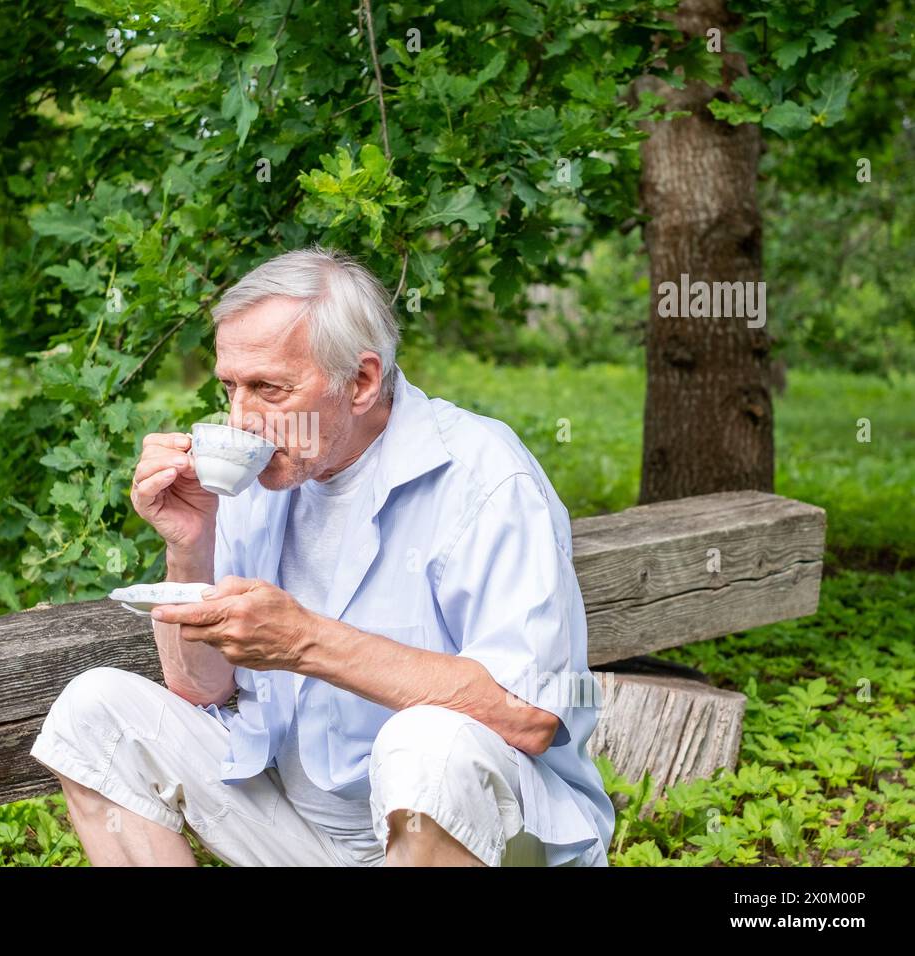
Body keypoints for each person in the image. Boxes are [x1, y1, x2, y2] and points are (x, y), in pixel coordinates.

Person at [30, 244, 615, 866]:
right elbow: (198, 687)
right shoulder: (261, 477)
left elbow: (529, 713)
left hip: (487, 842)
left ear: (360, 381)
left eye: (269, 389)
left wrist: (306, 641)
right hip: (307, 835)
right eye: (229, 386)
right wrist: (191, 545)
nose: (240, 419)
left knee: (426, 742)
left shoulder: (483, 477)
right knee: (94, 711)